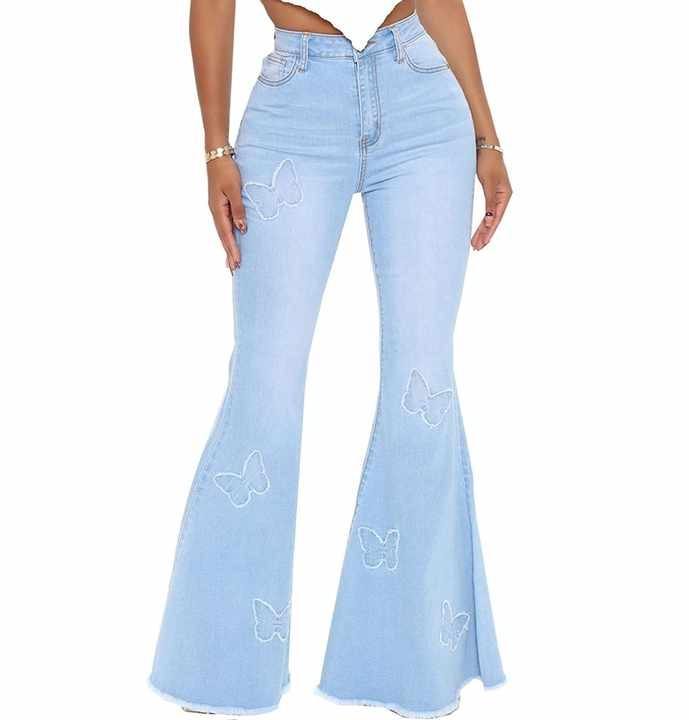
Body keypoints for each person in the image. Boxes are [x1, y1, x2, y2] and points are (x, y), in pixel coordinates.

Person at [149, 1, 511, 716]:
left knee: (421, 387)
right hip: (295, 103)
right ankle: (221, 671)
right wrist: (216, 149)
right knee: (265, 390)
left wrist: (487, 136)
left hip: (421, 92)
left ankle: (412, 672)